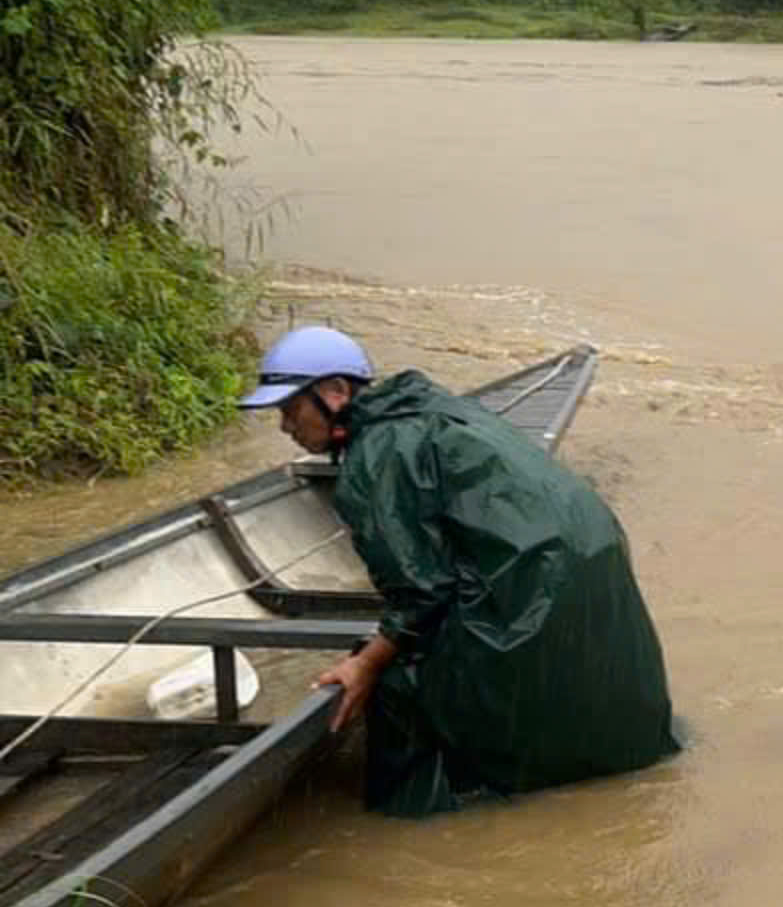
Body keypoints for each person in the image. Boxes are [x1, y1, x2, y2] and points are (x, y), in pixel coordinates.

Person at [240, 326, 678, 819]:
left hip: (534, 581)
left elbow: (421, 594)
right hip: (590, 556)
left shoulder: (376, 455)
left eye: (289, 409)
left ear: (335, 393)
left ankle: (417, 823)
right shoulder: (434, 407)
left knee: (400, 689)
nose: (284, 427)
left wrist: (365, 664)